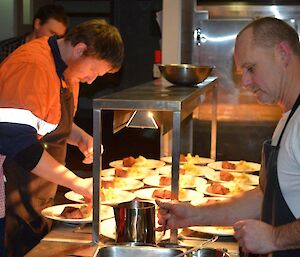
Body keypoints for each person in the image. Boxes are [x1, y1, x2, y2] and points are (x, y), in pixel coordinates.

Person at [157, 17, 300, 257]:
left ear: (283, 54)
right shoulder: (289, 116)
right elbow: (266, 196)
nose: (245, 82)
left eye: (251, 68)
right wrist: (195, 215)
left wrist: (275, 238)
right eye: (242, 71)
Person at [0, 18, 124, 257]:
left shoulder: (68, 71)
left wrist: (78, 136)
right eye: (93, 71)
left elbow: (44, 119)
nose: (91, 80)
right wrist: (77, 182)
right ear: (79, 49)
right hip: (10, 186)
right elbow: (18, 142)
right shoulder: (32, 65)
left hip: (37, 191)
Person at [0, 4, 68, 63]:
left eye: (58, 37)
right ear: (37, 24)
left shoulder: (58, 57)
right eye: (52, 33)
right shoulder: (5, 50)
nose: (55, 39)